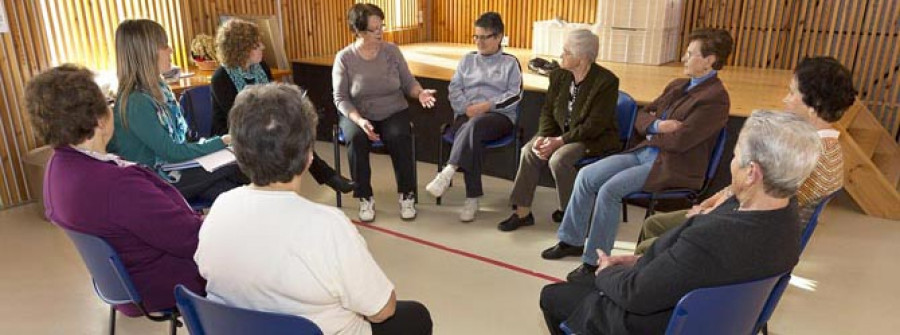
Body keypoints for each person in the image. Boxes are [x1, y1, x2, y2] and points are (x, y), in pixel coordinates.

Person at [539, 110, 822, 335]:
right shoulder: (787, 221)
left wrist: (604, 272)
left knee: (553, 295)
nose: (731, 164)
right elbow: (690, 269)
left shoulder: (712, 236)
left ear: (751, 174)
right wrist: (638, 262)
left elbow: (636, 295)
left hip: (661, 324)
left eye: (735, 157)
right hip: (720, 321)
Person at [195, 83, 432, 335]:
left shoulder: (220, 207)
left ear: (239, 153)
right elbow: (382, 309)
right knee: (416, 316)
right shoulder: (327, 225)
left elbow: (206, 270)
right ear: (309, 156)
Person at [540, 28, 734, 283]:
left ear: (709, 60)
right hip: (645, 151)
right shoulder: (678, 85)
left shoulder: (716, 100)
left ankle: (595, 262)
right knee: (587, 175)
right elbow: (642, 117)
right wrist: (656, 126)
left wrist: (653, 129)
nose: (684, 58)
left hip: (671, 164)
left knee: (609, 190)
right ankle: (572, 240)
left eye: (690, 54)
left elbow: (682, 140)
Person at [28, 64, 206, 317]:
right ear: (100, 120)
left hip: (124, 284)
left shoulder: (59, 167)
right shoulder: (117, 185)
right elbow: (193, 241)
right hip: (168, 282)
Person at [634, 56, 856, 254]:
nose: (785, 100)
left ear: (813, 105)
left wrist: (706, 214)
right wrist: (708, 204)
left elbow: (757, 205)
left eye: (792, 92)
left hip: (748, 236)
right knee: (655, 225)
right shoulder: (819, 146)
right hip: (740, 218)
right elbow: (749, 189)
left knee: (651, 237)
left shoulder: (809, 155)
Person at [107, 19, 247, 202]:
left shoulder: (160, 87)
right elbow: (172, 152)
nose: (171, 50)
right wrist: (221, 141)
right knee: (233, 183)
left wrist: (215, 143)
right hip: (153, 181)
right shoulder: (136, 102)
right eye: (164, 45)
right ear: (146, 53)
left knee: (238, 175)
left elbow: (182, 138)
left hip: (176, 168)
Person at [210, 18, 355, 194]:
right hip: (235, 133)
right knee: (283, 136)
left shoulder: (261, 67)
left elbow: (274, 99)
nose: (263, 47)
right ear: (242, 49)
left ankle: (325, 176)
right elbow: (237, 119)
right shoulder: (221, 78)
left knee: (295, 131)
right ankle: (326, 176)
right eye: (257, 45)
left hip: (264, 122)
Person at [497, 29, 621, 231]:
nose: (561, 56)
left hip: (591, 138)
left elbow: (594, 126)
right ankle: (522, 212)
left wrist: (559, 142)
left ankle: (573, 214)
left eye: (566, 52)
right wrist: (544, 136)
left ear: (581, 58)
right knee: (529, 151)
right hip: (560, 132)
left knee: (559, 159)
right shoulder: (559, 76)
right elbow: (547, 111)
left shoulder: (606, 82)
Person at [333, 3, 437, 222]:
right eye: (374, 29)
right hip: (358, 113)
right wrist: (360, 120)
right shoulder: (344, 58)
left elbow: (408, 82)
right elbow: (341, 98)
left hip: (393, 109)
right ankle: (364, 197)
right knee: (355, 137)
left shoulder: (392, 51)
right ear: (358, 31)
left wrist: (419, 93)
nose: (381, 32)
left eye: (382, 26)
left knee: (399, 135)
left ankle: (407, 195)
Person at [424, 12, 523, 222]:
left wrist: (488, 105)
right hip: (468, 114)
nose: (479, 42)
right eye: (476, 36)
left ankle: (448, 171)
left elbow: (515, 94)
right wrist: (466, 107)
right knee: (473, 135)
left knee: (474, 126)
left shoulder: (510, 63)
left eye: (484, 37)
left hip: (498, 117)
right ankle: (472, 198)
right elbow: (454, 88)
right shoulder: (467, 60)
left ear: (498, 37)